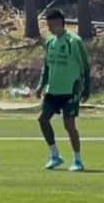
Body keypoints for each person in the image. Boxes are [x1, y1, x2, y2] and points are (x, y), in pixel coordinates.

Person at [34, 9, 91, 172]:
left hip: (70, 90)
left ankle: (78, 160)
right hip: (53, 90)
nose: (49, 28)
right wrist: (41, 85)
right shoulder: (50, 42)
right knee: (43, 120)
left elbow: (85, 66)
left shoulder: (74, 41)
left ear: (59, 23)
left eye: (51, 25)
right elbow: (46, 66)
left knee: (69, 125)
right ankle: (55, 155)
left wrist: (86, 88)